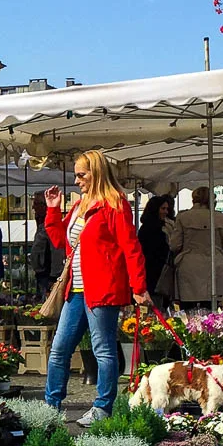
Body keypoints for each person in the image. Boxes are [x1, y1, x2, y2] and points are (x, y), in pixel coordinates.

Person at [43, 149, 151, 426]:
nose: (77, 180)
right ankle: (50, 407)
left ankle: (103, 407)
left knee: (102, 350)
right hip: (76, 290)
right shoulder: (80, 205)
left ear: (97, 173)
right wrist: (53, 209)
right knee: (59, 350)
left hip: (102, 289)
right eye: (76, 175)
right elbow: (59, 241)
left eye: (82, 175)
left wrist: (138, 287)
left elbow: (131, 248)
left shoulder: (115, 204)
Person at [166, 186, 223, 310]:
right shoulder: (220, 218)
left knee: (188, 309)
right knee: (212, 309)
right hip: (215, 264)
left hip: (189, 265)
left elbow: (175, 245)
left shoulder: (183, 217)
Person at [136, 195, 175, 307]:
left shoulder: (164, 226)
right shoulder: (151, 228)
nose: (166, 212)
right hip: (153, 273)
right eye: (163, 208)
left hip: (159, 271)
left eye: (167, 209)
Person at [30, 193, 66, 297]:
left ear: (44, 205)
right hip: (42, 274)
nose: (33, 207)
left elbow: (56, 250)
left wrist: (54, 276)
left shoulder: (50, 225)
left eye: (36, 204)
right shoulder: (41, 223)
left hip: (47, 274)